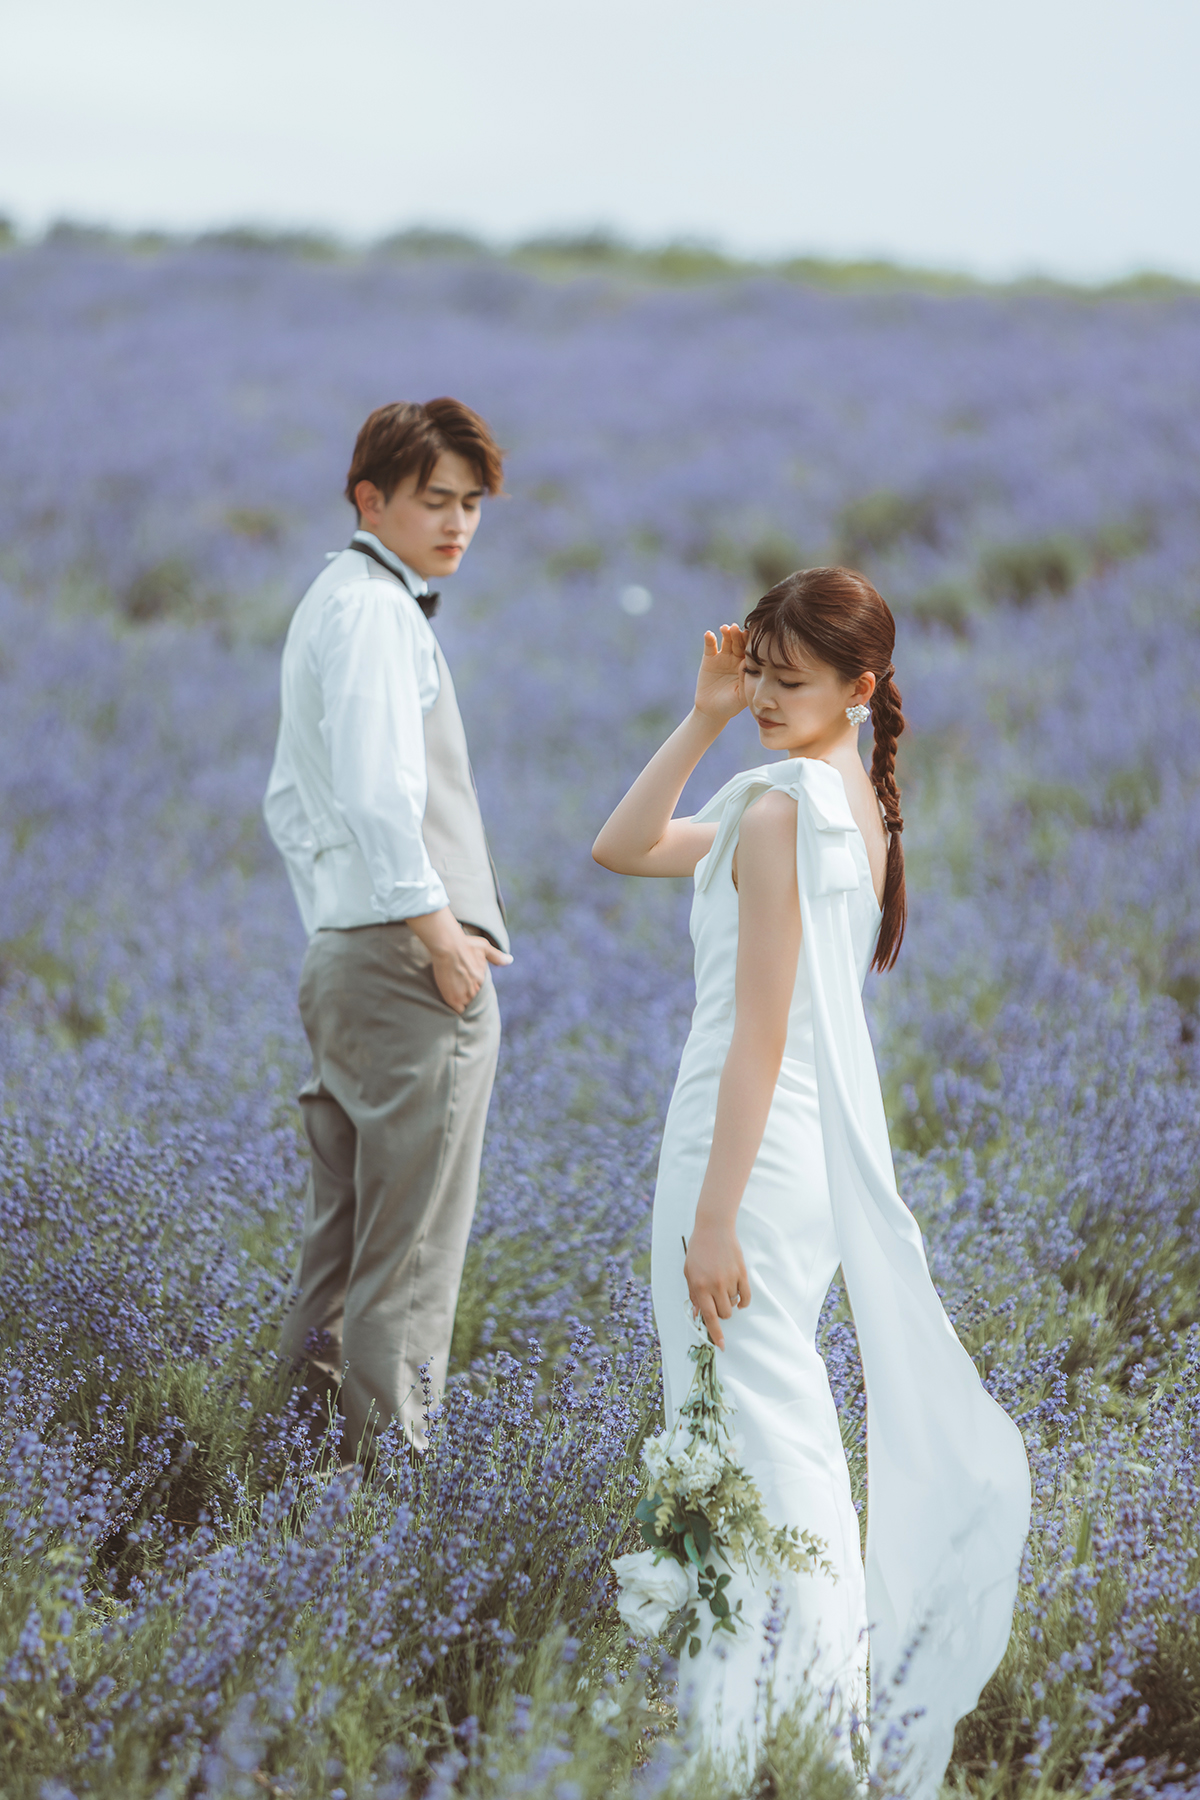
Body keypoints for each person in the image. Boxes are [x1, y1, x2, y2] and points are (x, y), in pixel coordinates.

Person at [592, 568, 1030, 1795]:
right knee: (766, 1427)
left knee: (748, 1430)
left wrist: (713, 1217)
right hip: (799, 1160)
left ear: (859, 686)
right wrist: (706, 714)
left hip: (739, 1153)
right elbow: (626, 848)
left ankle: (782, 1728)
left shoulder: (782, 812)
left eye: (789, 681)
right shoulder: (839, 802)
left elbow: (760, 1032)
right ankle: (788, 1717)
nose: (764, 698)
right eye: (757, 675)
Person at [264, 397, 512, 1465]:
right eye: (434, 500)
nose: (456, 524)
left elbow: (288, 805)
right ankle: (389, 1512)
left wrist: (342, 925)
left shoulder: (335, 597)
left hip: (347, 957)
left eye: (471, 504)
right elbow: (375, 794)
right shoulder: (375, 612)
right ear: (371, 499)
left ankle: (287, 1483)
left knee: (340, 1255)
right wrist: (439, 934)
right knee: (406, 1267)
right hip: (410, 966)